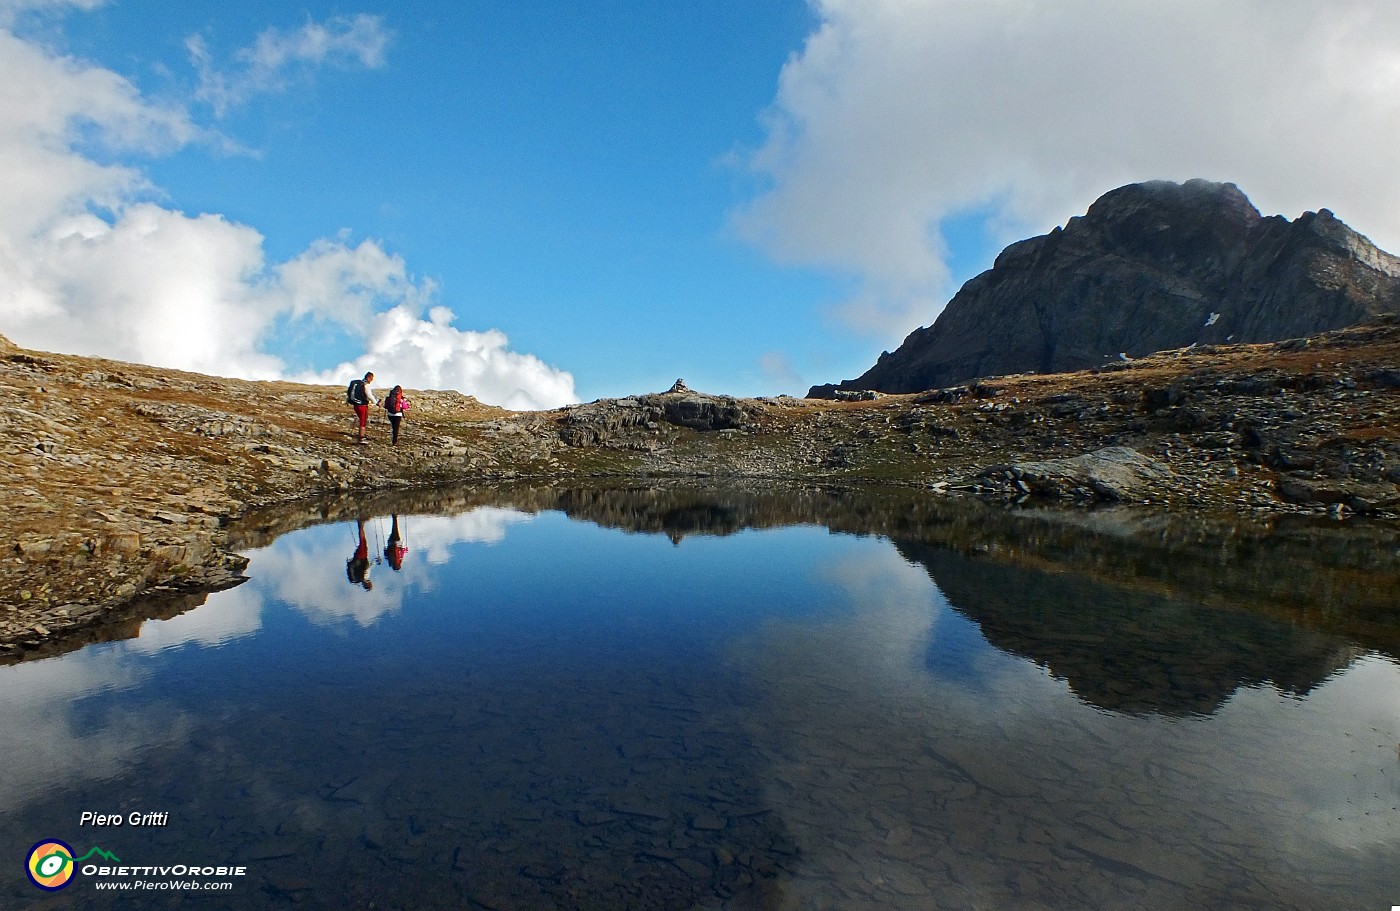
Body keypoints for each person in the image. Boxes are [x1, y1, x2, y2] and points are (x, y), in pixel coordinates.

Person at [347, 371, 379, 444]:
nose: (372, 380)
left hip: (356, 405)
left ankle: (361, 436)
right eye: (371, 378)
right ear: (368, 377)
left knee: (362, 420)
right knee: (363, 421)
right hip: (362, 406)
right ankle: (361, 438)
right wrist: (376, 403)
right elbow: (369, 395)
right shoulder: (366, 385)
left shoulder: (358, 384)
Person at [346, 518, 373, 590]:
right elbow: (368, 567)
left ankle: (360, 523)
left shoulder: (361, 578)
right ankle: (361, 524)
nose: (370, 582)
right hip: (360, 558)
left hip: (361, 557)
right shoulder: (359, 579)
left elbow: (368, 567)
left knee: (362, 540)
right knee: (363, 540)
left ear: (367, 584)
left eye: (369, 583)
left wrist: (375, 561)